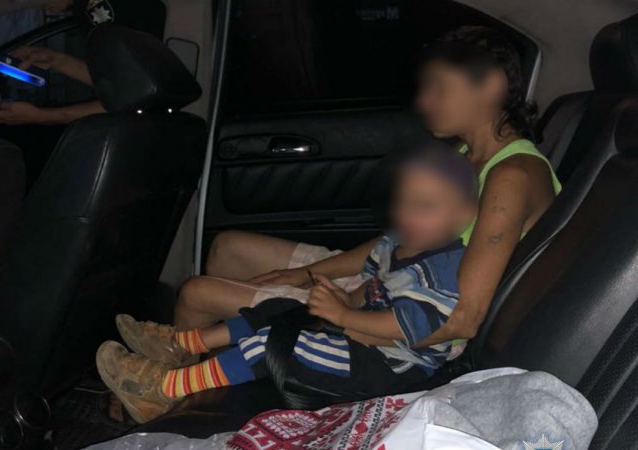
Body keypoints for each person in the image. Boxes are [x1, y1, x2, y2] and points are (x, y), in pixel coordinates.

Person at [174, 26, 562, 353]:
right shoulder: (464, 155)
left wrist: (342, 320)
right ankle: (238, 366)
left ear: (490, 86)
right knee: (228, 249)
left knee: (196, 294)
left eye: (439, 88)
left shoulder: (512, 176)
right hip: (392, 281)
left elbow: (464, 319)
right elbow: (398, 241)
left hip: (411, 320)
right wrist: (304, 275)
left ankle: (168, 394)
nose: (424, 102)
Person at [96, 145, 480, 423]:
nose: (408, 215)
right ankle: (183, 343)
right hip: (364, 337)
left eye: (425, 207)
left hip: (388, 367)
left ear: (464, 215)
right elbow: (375, 284)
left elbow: (404, 328)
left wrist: (343, 316)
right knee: (281, 310)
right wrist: (345, 299)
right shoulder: (398, 242)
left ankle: (165, 389)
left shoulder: (442, 272)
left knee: (272, 344)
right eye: (403, 202)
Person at [0, 0, 166, 126]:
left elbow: (138, 97)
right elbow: (122, 84)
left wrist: (41, 116)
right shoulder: (89, 11)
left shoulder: (109, 10)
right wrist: (56, 60)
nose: (43, 7)